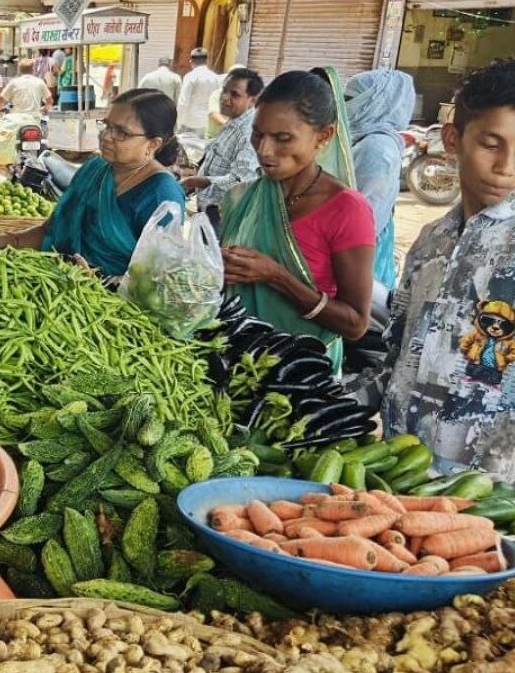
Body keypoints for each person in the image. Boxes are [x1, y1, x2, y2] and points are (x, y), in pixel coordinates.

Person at [381, 59, 515, 480]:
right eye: (491, 144)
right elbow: (397, 348)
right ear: (453, 139)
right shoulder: (430, 241)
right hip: (405, 470)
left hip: (491, 489)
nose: (506, 166)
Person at [219, 69, 376, 373]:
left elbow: (355, 324)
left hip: (303, 379)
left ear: (324, 136)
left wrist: (276, 276)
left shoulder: (346, 210)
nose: (264, 150)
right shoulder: (241, 199)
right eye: (258, 134)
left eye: (283, 138)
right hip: (238, 364)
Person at [0, 89, 186, 278]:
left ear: (153, 144)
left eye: (122, 133)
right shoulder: (94, 169)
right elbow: (51, 229)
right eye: (107, 126)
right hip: (60, 285)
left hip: (112, 313)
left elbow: (158, 279)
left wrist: (103, 282)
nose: (106, 137)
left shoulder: (161, 193)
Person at [344, 69, 416, 289]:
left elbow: (364, 216)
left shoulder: (376, 148)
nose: (344, 105)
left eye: (350, 99)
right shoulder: (363, 139)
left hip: (355, 250)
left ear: (374, 103)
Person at [182, 67, 263, 233]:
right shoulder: (233, 123)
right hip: (209, 207)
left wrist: (195, 181)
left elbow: (240, 181)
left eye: (234, 95)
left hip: (223, 214)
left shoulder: (248, 132)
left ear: (252, 100)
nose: (225, 98)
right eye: (224, 91)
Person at [0, 60, 53, 178]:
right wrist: (44, 108)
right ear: (33, 69)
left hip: (16, 121)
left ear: (20, 70)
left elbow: (1, 101)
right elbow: (49, 101)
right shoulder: (39, 82)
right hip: (34, 121)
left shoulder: (14, 83)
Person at [176, 47, 223, 135]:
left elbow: (183, 102)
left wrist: (179, 122)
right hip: (207, 123)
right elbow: (218, 100)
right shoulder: (215, 77)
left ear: (191, 61)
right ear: (207, 61)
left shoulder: (190, 77)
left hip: (190, 123)